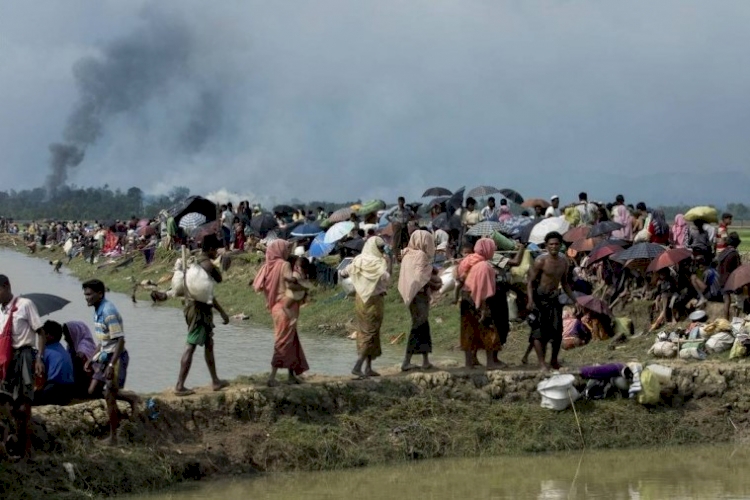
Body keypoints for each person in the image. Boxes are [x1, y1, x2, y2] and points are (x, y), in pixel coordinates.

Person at [82, 278, 139, 444]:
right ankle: (130, 399)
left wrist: (112, 365)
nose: (86, 297)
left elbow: (120, 341)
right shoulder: (97, 309)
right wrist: (91, 359)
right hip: (105, 355)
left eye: (89, 294)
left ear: (100, 294)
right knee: (93, 391)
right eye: (85, 294)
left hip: (116, 356)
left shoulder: (108, 312)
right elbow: (103, 341)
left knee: (109, 395)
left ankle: (113, 437)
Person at [175, 235, 230, 396]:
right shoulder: (208, 266)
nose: (217, 252)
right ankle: (179, 385)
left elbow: (207, 293)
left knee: (208, 343)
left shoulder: (195, 261)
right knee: (190, 345)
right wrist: (222, 312)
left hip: (193, 308)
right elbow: (218, 281)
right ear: (211, 249)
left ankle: (215, 381)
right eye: (216, 249)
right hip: (200, 311)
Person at [0, 275, 46, 459]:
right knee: (9, 403)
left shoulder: (25, 304)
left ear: (6, 287)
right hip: (7, 358)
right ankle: (16, 441)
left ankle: (27, 448)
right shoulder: (1, 311)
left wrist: (39, 359)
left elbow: (40, 332)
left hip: (24, 355)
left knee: (24, 403)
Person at [253, 239, 310, 386]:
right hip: (286, 308)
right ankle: (272, 378)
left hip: (275, 308)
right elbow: (290, 283)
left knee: (291, 341)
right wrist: (300, 279)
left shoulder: (267, 267)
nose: (288, 251)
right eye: (286, 249)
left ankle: (291, 376)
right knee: (282, 342)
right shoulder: (284, 265)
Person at [340, 237, 390, 378]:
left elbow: (343, 273)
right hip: (374, 301)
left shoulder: (358, 260)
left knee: (365, 331)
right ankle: (358, 366)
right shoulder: (380, 262)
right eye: (381, 248)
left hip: (360, 300)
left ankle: (368, 368)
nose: (381, 250)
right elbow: (387, 278)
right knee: (371, 333)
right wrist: (389, 263)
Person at [526, 232, 576, 371]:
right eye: (551, 244)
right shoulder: (540, 261)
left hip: (554, 298)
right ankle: (541, 362)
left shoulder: (564, 262)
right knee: (538, 331)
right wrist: (530, 300)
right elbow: (530, 282)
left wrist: (574, 300)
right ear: (546, 246)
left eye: (556, 244)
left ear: (560, 246)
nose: (554, 246)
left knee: (557, 331)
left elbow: (565, 283)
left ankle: (554, 360)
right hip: (539, 298)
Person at [398, 230, 443, 372]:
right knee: (418, 327)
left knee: (424, 326)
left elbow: (418, 272)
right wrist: (433, 283)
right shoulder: (420, 255)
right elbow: (420, 277)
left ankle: (425, 361)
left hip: (411, 296)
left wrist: (430, 270)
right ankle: (406, 361)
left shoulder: (407, 254)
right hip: (419, 296)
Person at [455, 238, 502, 369]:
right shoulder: (484, 266)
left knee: (468, 330)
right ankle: (490, 363)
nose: (494, 251)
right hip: (477, 299)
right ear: (487, 249)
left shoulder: (468, 261)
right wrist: (484, 308)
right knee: (489, 329)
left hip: (465, 298)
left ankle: (469, 363)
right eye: (493, 248)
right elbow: (482, 289)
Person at [35, 321, 74, 406]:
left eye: (42, 334)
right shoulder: (62, 349)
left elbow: (39, 374)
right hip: (70, 389)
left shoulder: (45, 351)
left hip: (55, 388)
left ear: (49, 336)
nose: (40, 338)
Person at [62, 321, 96, 398]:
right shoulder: (72, 347)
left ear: (74, 334)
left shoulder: (83, 348)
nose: (65, 338)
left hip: (87, 386)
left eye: (67, 335)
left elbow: (80, 359)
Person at [717, 232, 742, 319]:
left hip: (720, 279)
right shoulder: (734, 253)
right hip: (729, 280)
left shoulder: (723, 252)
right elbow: (738, 269)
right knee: (739, 296)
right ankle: (736, 318)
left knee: (726, 300)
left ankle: (726, 319)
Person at [281, 256, 312, 327]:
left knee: (285, 306)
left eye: (297, 266)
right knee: (297, 308)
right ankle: (295, 318)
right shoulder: (305, 275)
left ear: (298, 267)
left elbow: (293, 280)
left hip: (295, 295)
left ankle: (292, 319)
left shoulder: (296, 274)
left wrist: (286, 279)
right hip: (301, 294)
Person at [387, 197, 413, 262]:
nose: (401, 203)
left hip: (404, 226)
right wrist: (393, 222)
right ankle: (398, 258)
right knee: (397, 242)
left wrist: (409, 219)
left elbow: (412, 215)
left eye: (402, 202)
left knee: (406, 240)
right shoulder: (395, 209)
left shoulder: (407, 209)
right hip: (398, 226)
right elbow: (387, 216)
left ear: (404, 202)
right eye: (400, 202)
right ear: (398, 202)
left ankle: (406, 256)